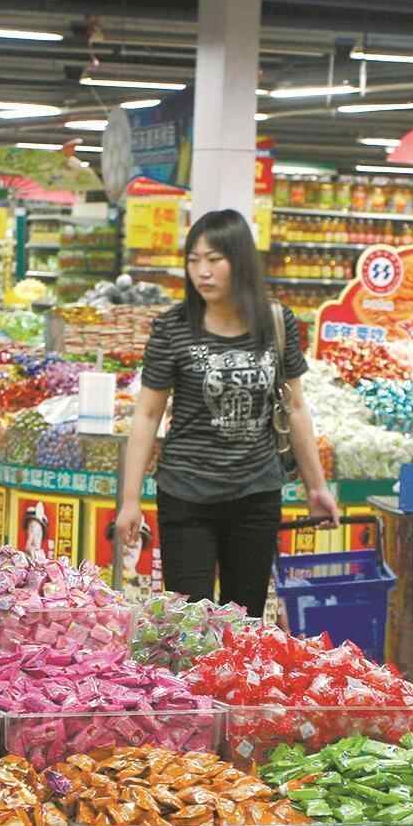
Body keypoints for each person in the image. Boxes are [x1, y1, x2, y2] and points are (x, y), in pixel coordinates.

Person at [118, 208, 337, 618]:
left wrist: (316, 487)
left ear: (240, 261)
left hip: (256, 494)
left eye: (214, 259)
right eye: (194, 260)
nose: (202, 272)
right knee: (190, 622)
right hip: (186, 494)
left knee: (245, 620)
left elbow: (295, 406)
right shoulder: (172, 327)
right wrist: (130, 500)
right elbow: (147, 415)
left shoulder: (276, 322)